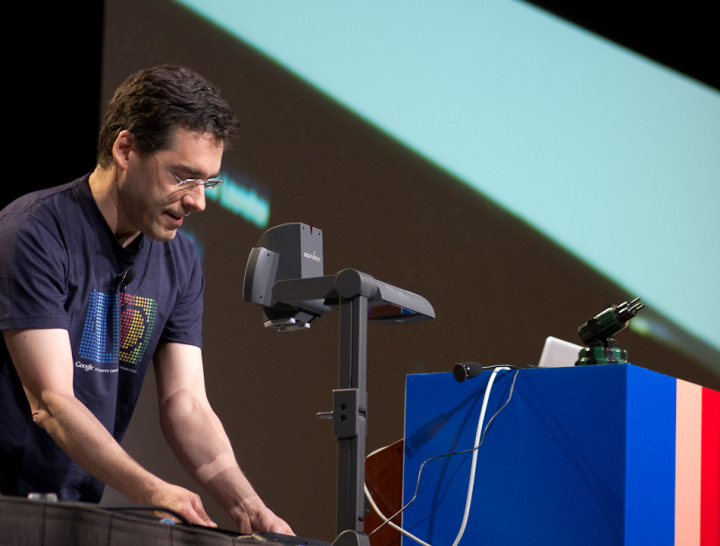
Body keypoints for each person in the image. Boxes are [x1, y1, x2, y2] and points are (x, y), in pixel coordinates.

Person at [0, 65, 292, 534]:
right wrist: (153, 491)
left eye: (209, 183)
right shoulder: (35, 232)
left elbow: (186, 404)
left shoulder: (179, 262)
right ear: (125, 149)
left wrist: (246, 505)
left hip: (77, 512)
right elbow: (50, 401)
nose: (199, 201)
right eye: (184, 176)